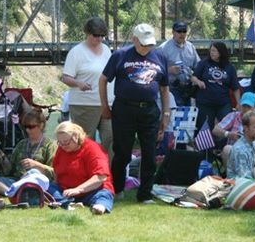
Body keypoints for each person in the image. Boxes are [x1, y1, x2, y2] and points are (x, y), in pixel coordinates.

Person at [99, 23, 170, 203]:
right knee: (122, 152)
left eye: (149, 44)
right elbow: (103, 79)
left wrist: (166, 114)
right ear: (134, 39)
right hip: (124, 109)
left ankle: (145, 194)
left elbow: (164, 88)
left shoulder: (160, 56)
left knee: (149, 153)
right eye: (143, 44)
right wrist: (104, 105)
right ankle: (117, 188)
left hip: (150, 110)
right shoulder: (120, 55)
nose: (147, 48)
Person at [61, 17, 114, 159]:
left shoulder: (107, 50)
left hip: (107, 103)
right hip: (84, 104)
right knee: (85, 142)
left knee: (111, 139)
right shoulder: (76, 52)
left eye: (102, 35)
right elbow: (65, 77)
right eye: (96, 35)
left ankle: (107, 174)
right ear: (87, 33)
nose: (99, 39)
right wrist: (79, 83)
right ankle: (85, 175)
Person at [0, 110, 57, 196]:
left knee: (34, 172)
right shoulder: (22, 144)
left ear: (41, 126)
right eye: (25, 127)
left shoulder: (50, 145)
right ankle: (12, 192)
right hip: (16, 180)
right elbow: (10, 170)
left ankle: (13, 192)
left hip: (36, 181)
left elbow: (54, 173)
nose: (27, 130)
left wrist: (37, 165)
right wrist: (2, 160)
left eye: (31, 127)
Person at [52, 122, 114, 214]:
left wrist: (78, 189)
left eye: (66, 142)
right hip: (66, 191)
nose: (63, 146)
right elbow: (57, 172)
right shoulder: (62, 149)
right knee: (47, 186)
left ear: (76, 136)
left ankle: (100, 206)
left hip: (92, 191)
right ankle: (66, 202)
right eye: (60, 143)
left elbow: (101, 177)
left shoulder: (93, 149)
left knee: (103, 195)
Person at [191, 41, 241, 131]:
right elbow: (193, 77)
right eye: (211, 50)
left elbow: (235, 87)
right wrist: (198, 82)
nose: (211, 53)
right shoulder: (204, 63)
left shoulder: (229, 67)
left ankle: (224, 144)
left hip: (223, 103)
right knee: (204, 128)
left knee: (226, 126)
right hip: (205, 102)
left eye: (214, 51)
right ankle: (206, 145)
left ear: (221, 52)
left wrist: (238, 103)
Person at [158, 21, 201, 106]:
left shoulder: (191, 47)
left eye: (184, 31)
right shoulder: (163, 48)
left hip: (189, 89)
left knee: (188, 117)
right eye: (179, 31)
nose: (182, 34)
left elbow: (198, 66)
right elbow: (155, 69)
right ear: (173, 32)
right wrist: (169, 70)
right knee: (175, 117)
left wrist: (196, 78)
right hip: (171, 89)